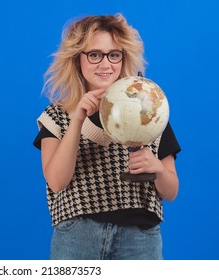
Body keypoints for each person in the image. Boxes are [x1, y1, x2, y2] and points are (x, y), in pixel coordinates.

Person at [33, 14, 181, 260]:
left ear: (123, 58)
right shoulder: (56, 116)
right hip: (78, 236)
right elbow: (57, 182)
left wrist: (157, 168)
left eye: (114, 54)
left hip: (140, 237)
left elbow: (171, 191)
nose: (105, 64)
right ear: (76, 59)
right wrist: (77, 118)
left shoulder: (150, 110)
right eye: (94, 54)